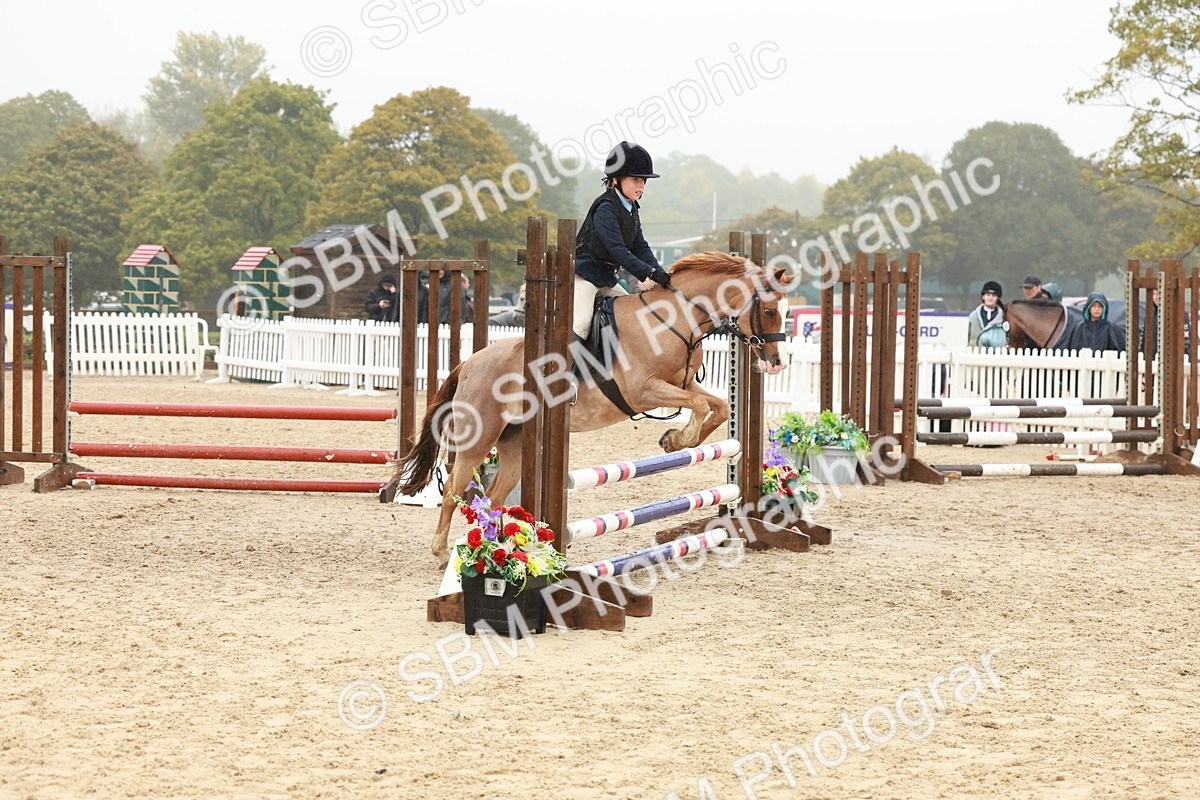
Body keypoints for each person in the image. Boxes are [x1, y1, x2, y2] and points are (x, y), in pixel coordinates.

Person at [572, 141, 671, 339]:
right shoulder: (605, 208)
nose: (641, 186)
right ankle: (568, 360)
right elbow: (618, 250)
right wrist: (649, 272)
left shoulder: (631, 207)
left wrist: (660, 272)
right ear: (616, 180)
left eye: (643, 181)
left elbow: (640, 246)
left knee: (632, 317)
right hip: (584, 276)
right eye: (636, 180)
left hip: (606, 279)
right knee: (581, 324)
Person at [966, 280, 1007, 349]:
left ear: (998, 298)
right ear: (983, 297)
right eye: (988, 295)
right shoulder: (974, 316)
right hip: (977, 352)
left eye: (993, 295)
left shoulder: (1004, 316)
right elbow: (971, 339)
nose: (990, 298)